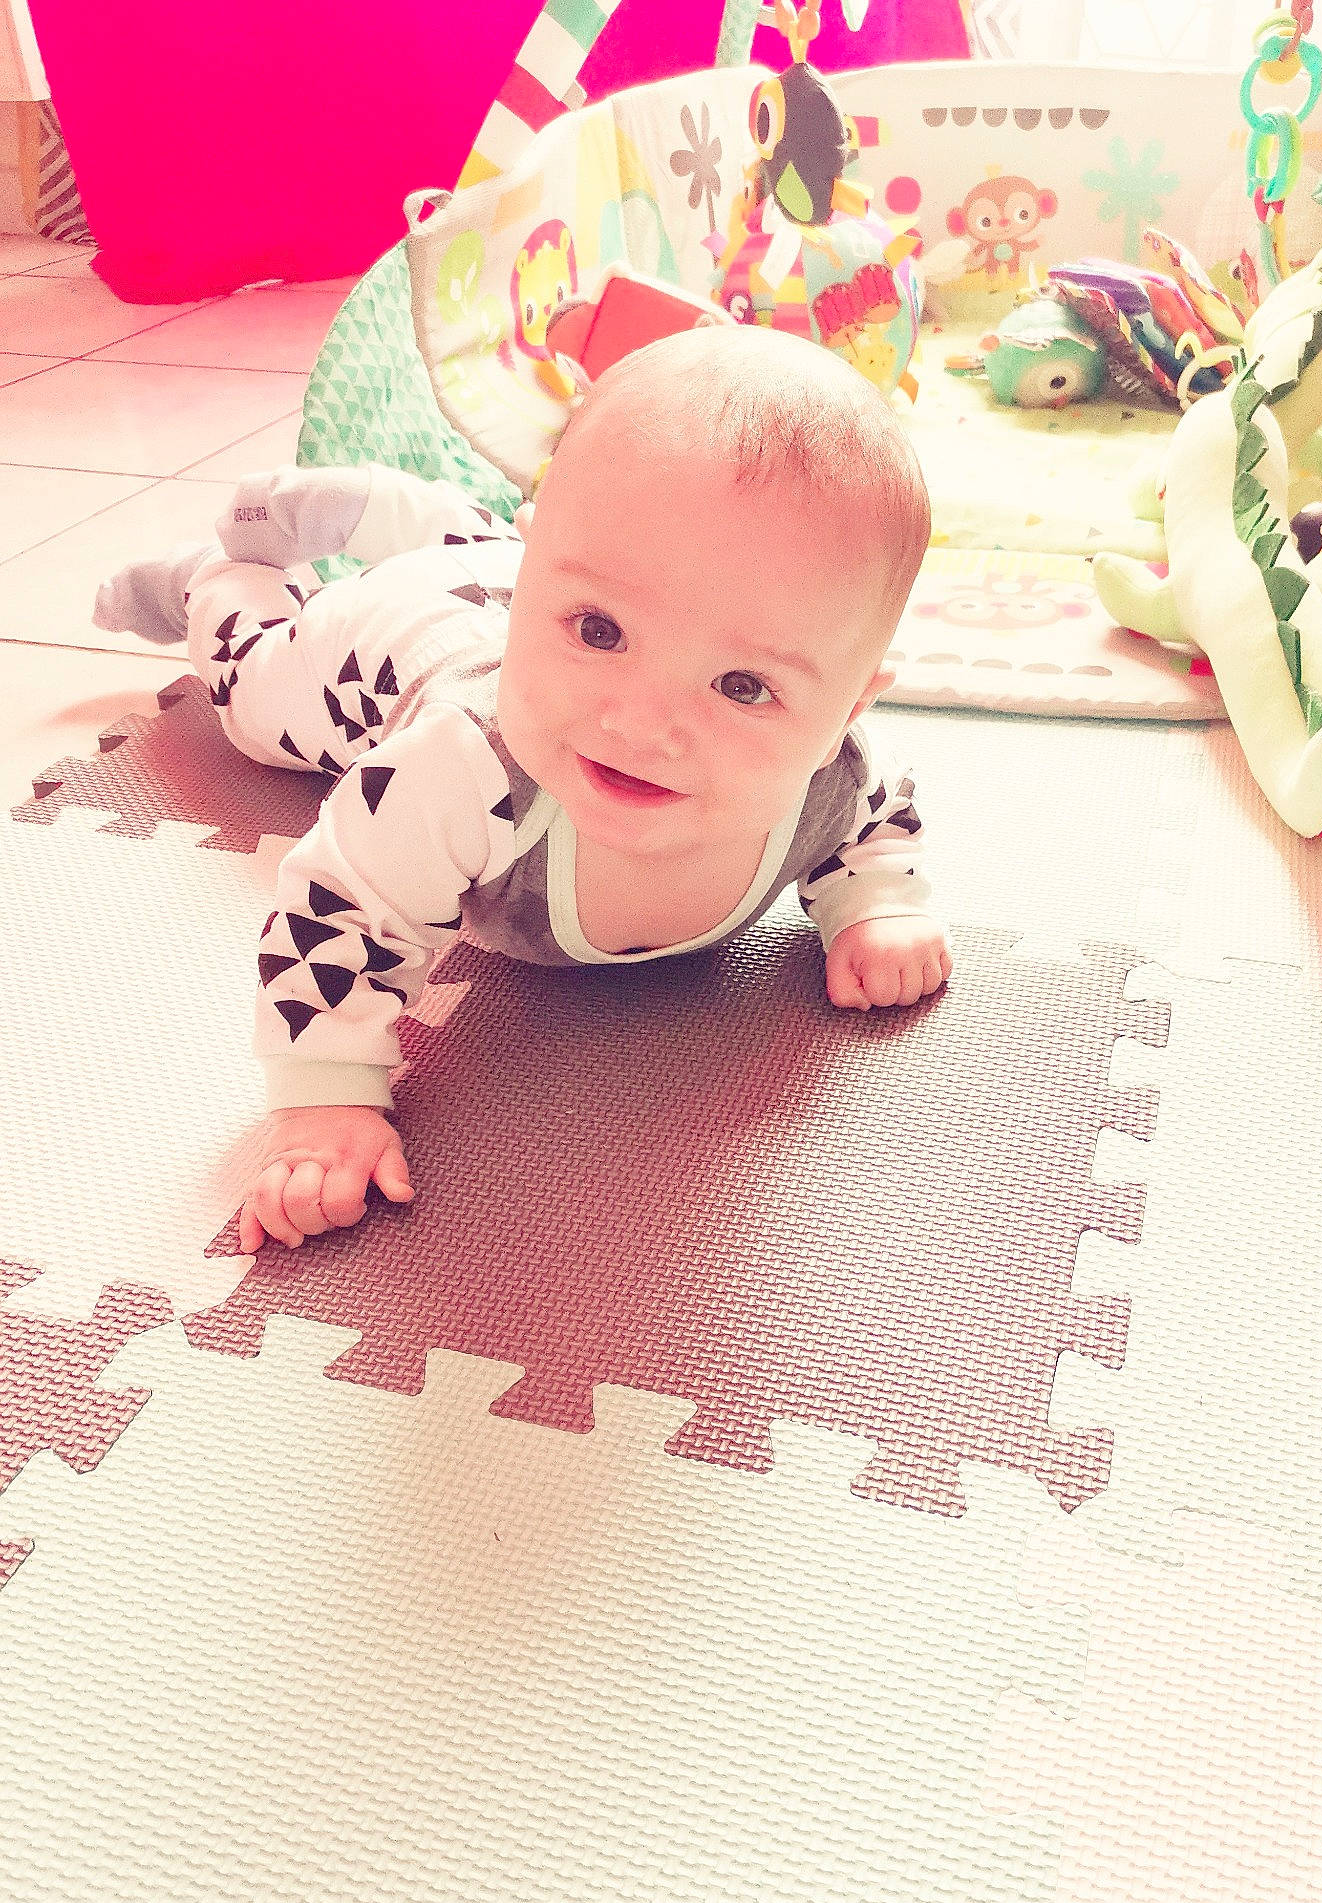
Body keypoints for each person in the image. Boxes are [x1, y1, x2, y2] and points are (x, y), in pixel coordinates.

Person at [95, 325, 950, 1253]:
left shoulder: (835, 774)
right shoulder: (459, 772)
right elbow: (339, 907)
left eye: (744, 687)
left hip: (509, 572)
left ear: (846, 707)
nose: (638, 726)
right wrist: (327, 1098)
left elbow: (878, 817)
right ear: (538, 588)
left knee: (556, 569)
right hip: (381, 647)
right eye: (598, 631)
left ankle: (408, 518)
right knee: (254, 701)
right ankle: (219, 583)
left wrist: (874, 902)